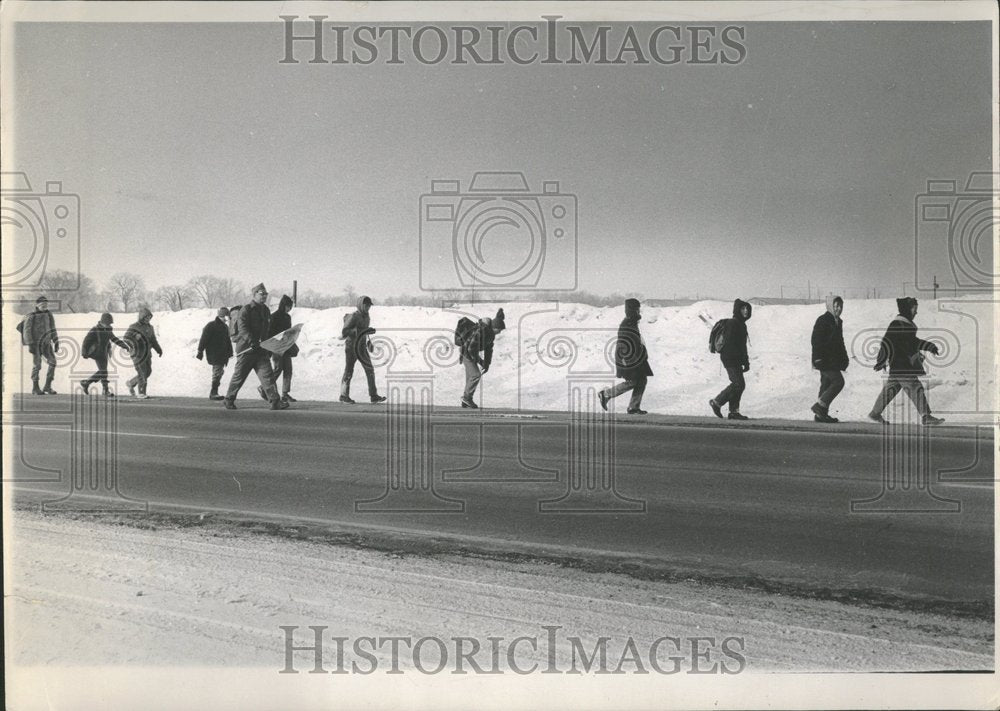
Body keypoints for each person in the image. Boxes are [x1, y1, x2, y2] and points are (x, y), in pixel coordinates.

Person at [868, 297, 944, 426]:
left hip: (899, 365)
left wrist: (928, 346)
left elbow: (913, 342)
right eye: (914, 309)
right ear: (907, 309)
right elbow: (886, 342)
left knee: (890, 390)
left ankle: (874, 414)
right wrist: (881, 360)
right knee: (915, 387)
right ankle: (926, 416)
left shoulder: (906, 325)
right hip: (902, 365)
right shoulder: (897, 324)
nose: (916, 312)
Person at [224, 283, 286, 410]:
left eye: (266, 294)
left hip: (261, 350)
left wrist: (267, 344)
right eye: (261, 294)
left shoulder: (265, 310)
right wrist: (252, 341)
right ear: (254, 294)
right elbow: (242, 328)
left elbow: (267, 330)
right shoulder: (246, 309)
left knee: (268, 376)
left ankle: (275, 401)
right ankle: (229, 399)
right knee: (239, 376)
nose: (264, 296)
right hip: (247, 349)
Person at [598, 298, 652, 415]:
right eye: (637, 309)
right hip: (628, 359)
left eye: (639, 309)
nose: (639, 312)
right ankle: (606, 394)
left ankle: (633, 407)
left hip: (636, 358)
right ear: (632, 310)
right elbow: (623, 344)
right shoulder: (627, 323)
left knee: (642, 380)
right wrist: (627, 360)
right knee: (632, 381)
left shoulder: (631, 322)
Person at [709, 299, 753, 420]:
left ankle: (734, 412)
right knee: (738, 384)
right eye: (743, 309)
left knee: (739, 384)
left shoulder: (741, 324)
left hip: (736, 359)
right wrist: (738, 359)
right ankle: (717, 402)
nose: (746, 311)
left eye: (747, 309)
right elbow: (730, 343)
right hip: (730, 358)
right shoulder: (733, 323)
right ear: (737, 310)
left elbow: (742, 346)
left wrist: (745, 362)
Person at [810, 295, 849, 423]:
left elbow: (840, 342)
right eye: (836, 306)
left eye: (840, 306)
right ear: (830, 306)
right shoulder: (823, 320)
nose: (838, 309)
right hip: (824, 359)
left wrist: (844, 358)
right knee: (838, 382)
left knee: (826, 384)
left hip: (833, 360)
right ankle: (819, 407)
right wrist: (818, 358)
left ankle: (821, 415)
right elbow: (816, 340)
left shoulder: (838, 321)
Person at [340, 295, 386, 404]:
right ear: (361, 305)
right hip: (351, 347)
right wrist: (360, 331)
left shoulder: (367, 316)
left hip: (361, 347)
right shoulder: (354, 316)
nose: (368, 308)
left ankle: (373, 395)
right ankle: (343, 395)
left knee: (369, 369)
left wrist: (368, 331)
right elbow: (344, 332)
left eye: (369, 306)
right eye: (366, 306)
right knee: (349, 370)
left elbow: (362, 331)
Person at [456, 308, 505, 409]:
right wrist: (478, 360)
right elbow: (470, 348)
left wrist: (486, 364)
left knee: (471, 377)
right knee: (475, 375)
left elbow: (489, 350)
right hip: (466, 353)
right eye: (499, 330)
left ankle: (466, 401)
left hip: (470, 353)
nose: (499, 332)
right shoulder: (481, 331)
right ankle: (467, 398)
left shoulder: (491, 335)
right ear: (494, 327)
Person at [18, 295, 60, 395]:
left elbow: (52, 328)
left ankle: (47, 386)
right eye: (42, 305)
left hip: (46, 344)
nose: (44, 306)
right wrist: (30, 344)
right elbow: (26, 331)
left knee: (53, 362)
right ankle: (35, 387)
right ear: (37, 305)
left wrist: (56, 341)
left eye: (46, 305)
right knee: (37, 365)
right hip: (35, 344)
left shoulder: (49, 315)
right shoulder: (31, 315)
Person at [81, 313, 129, 396]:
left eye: (109, 324)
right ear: (102, 322)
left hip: (104, 352)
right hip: (97, 353)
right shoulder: (95, 329)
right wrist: (84, 352)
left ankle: (87, 383)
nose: (108, 325)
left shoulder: (108, 330)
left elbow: (114, 339)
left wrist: (124, 346)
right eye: (107, 323)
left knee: (103, 372)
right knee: (103, 371)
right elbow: (86, 341)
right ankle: (104, 390)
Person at [264, 294, 298, 404]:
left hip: (286, 346)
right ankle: (265, 388)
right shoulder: (274, 317)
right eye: (289, 307)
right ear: (284, 305)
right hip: (277, 347)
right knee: (278, 369)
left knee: (288, 369)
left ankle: (285, 394)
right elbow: (270, 333)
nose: (290, 309)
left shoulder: (288, 317)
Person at [123, 307, 163, 399]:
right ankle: (141, 392)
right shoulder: (134, 327)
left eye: (149, 318)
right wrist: (134, 337)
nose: (148, 319)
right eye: (146, 317)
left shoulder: (150, 327)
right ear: (141, 317)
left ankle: (131, 383)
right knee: (142, 372)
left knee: (148, 372)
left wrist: (158, 349)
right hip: (137, 353)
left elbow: (153, 340)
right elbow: (126, 338)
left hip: (147, 354)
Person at [197, 307, 234, 401]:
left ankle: (214, 392)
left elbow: (227, 341)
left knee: (219, 372)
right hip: (215, 354)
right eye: (227, 316)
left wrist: (230, 352)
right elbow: (204, 339)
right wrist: (200, 351)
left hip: (222, 354)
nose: (228, 318)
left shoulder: (225, 327)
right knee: (217, 372)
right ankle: (213, 393)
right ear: (224, 316)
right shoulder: (211, 325)